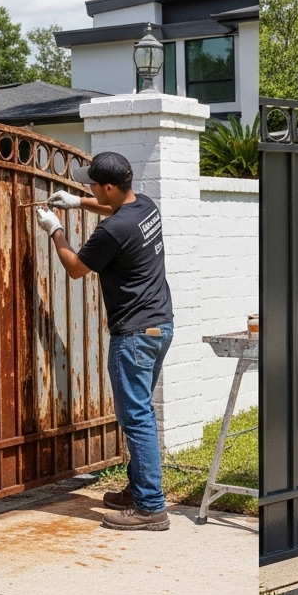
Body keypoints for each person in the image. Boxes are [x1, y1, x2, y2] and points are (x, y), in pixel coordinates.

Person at [35, 151, 174, 532]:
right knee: (140, 412)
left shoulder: (112, 231)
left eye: (91, 184)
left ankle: (150, 508)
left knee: (137, 417)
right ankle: (139, 490)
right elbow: (115, 212)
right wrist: (78, 201)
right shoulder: (144, 205)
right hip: (160, 324)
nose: (88, 187)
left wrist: (55, 230)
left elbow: (76, 268)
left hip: (133, 334)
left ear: (109, 186)